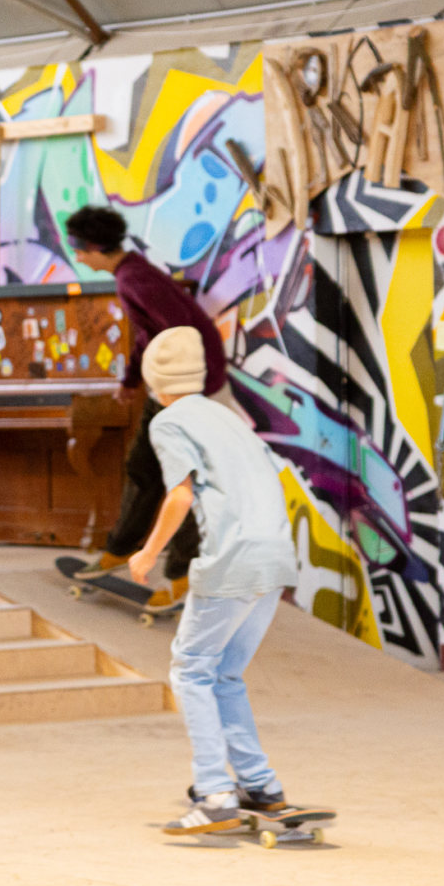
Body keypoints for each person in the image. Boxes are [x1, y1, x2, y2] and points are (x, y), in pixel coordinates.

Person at [126, 328, 302, 837]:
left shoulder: (170, 421)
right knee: (225, 673)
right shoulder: (228, 418)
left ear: (156, 381)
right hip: (274, 557)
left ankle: (214, 793)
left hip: (234, 558)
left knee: (192, 670)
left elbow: (179, 496)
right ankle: (260, 787)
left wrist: (147, 553)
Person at [64, 205, 227, 578]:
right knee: (143, 467)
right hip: (168, 386)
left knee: (185, 477)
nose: (76, 257)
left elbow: (180, 332)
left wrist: (186, 395)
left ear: (92, 246)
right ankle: (121, 549)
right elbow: (149, 334)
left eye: (77, 249)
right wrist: (131, 379)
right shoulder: (132, 275)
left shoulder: (135, 279)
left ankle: (182, 574)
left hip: (188, 387)